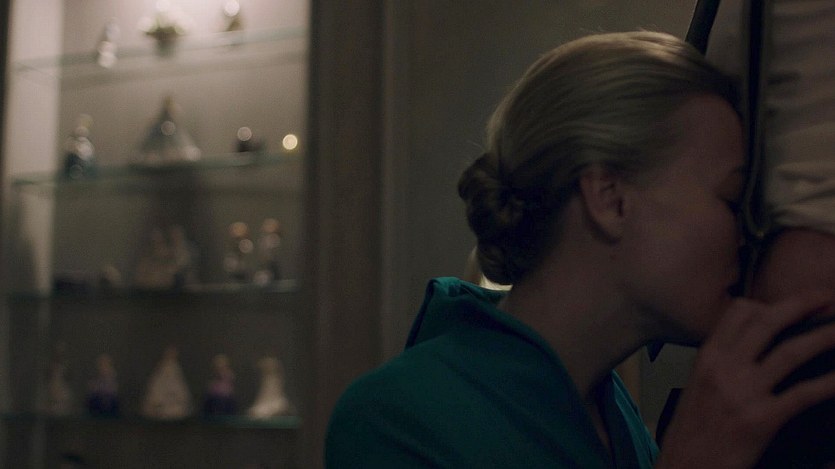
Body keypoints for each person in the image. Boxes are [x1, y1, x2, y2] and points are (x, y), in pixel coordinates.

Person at [325, 31, 835, 468]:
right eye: (729, 198)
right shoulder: (397, 420)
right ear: (609, 198)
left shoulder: (608, 412)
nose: (745, 237)